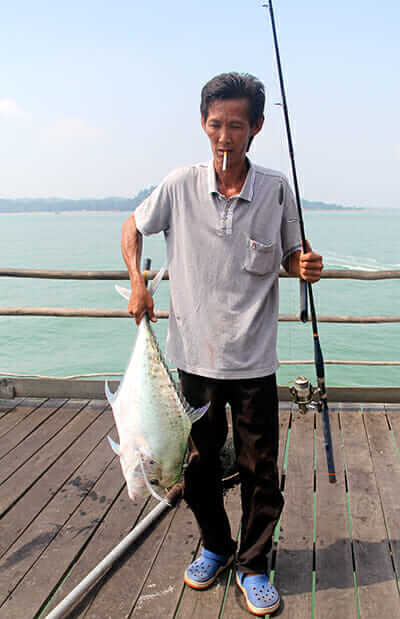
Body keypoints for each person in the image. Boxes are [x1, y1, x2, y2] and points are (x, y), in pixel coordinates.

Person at [121, 72, 323, 616]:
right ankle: (215, 544)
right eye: (215, 124)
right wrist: (139, 282)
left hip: (255, 362)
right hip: (191, 361)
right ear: (203, 124)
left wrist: (303, 265)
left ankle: (253, 563)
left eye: (236, 124)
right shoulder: (180, 184)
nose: (224, 136)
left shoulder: (277, 188)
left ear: (256, 126)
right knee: (196, 466)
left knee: (262, 472)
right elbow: (133, 227)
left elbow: (289, 256)